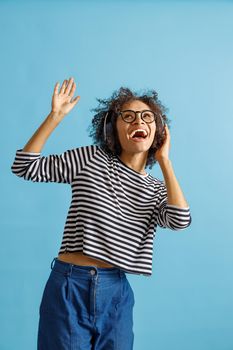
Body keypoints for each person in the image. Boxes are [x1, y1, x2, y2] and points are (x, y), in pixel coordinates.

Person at [11, 77, 192, 350]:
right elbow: (26, 166)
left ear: (159, 130)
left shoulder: (156, 190)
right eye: (127, 116)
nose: (138, 122)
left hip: (116, 290)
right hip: (70, 285)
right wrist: (55, 117)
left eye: (147, 117)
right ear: (112, 127)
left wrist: (165, 160)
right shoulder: (90, 159)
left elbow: (180, 220)